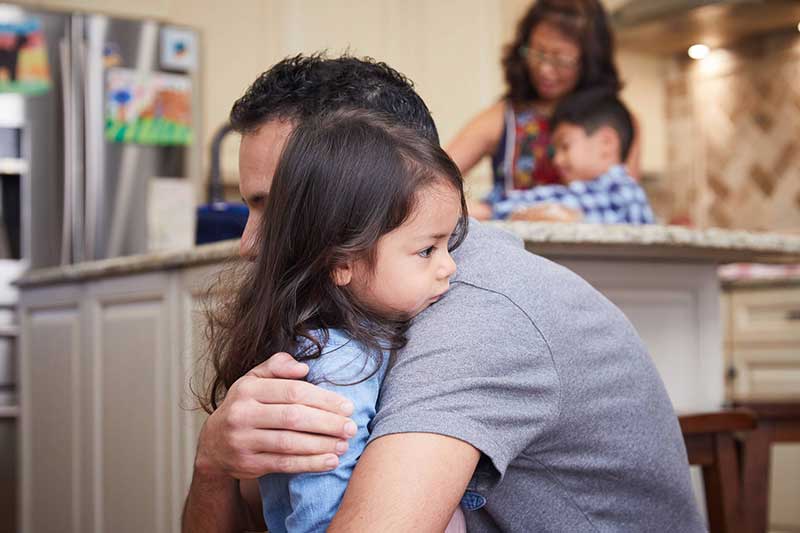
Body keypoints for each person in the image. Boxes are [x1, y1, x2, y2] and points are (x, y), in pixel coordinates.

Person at [183, 54, 705, 533]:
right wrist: (212, 464)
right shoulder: (347, 315)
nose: (248, 244)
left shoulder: (472, 311)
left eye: (279, 208)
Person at [203, 107, 469, 532]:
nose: (450, 267)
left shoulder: (343, 337)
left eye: (449, 244)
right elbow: (320, 508)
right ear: (341, 262)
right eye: (427, 251)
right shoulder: (341, 365)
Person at [446, 0, 641, 221]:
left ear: (589, 61)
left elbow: (620, 203)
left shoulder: (618, 123)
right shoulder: (503, 117)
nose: (545, 70)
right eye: (537, 54)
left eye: (561, 59)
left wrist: (493, 210)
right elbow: (433, 176)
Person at [493, 89, 655, 223]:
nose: (557, 160)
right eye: (555, 152)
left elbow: (565, 202)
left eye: (565, 146)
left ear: (606, 143)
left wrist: (496, 208)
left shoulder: (621, 191)